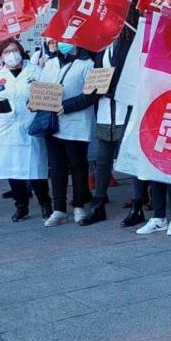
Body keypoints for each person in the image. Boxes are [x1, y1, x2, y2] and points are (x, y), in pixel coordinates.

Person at [82, 14, 136, 226]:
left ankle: (138, 203)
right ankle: (98, 202)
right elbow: (97, 75)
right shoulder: (101, 48)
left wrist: (111, 89)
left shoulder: (130, 44)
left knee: (129, 158)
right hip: (105, 109)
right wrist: (95, 89)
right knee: (102, 158)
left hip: (124, 107)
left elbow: (132, 76)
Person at [0, 40, 52, 222]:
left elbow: (47, 94)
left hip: (30, 125)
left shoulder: (35, 71)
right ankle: (21, 205)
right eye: (7, 52)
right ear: (1, 56)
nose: (12, 54)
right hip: (7, 128)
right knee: (12, 169)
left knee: (35, 169)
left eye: (15, 50)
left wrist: (37, 103)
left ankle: (45, 204)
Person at [40, 41, 98, 226]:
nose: (60, 43)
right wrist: (34, 101)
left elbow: (91, 94)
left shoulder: (88, 64)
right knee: (56, 167)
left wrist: (66, 106)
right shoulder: (50, 63)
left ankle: (79, 205)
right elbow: (41, 88)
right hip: (52, 123)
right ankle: (59, 209)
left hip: (76, 123)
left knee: (78, 165)